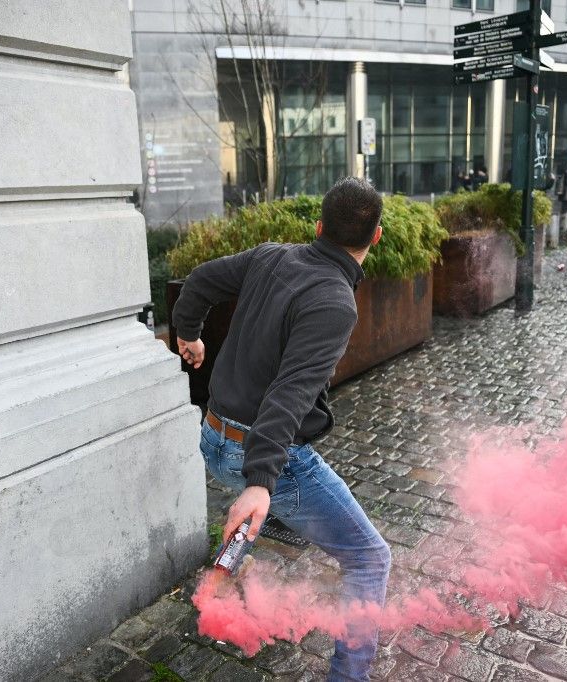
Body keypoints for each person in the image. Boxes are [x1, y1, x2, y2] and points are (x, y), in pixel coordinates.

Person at [172, 177, 392, 681]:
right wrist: (258, 482)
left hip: (212, 436)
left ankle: (234, 565)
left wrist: (189, 334)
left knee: (286, 507)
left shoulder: (273, 256)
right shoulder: (335, 302)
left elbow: (201, 279)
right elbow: (287, 397)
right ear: (375, 237)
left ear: (318, 227)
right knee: (369, 558)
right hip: (262, 454)